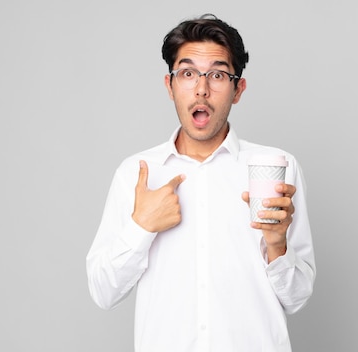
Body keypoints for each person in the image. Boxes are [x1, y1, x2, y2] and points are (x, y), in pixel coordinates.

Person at [86, 14, 315, 352]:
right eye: (188, 73)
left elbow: (296, 299)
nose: (202, 88)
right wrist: (142, 226)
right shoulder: (135, 173)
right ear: (170, 85)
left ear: (238, 90)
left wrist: (278, 245)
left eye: (219, 75)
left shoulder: (277, 169)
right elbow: (104, 292)